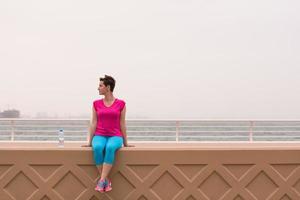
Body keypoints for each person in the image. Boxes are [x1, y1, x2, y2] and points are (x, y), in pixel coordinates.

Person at [82, 75, 134, 193]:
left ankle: (102, 180)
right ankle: (105, 180)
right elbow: (93, 123)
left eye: (100, 85)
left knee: (110, 148)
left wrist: (126, 143)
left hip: (115, 136)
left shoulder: (121, 104)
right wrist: (89, 142)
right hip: (99, 135)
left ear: (108, 87)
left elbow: (122, 124)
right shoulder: (96, 103)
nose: (98, 88)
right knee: (98, 147)